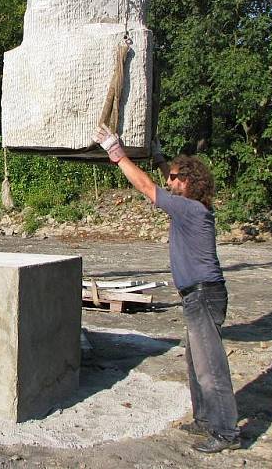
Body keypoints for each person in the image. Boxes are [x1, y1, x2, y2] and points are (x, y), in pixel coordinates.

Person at [93, 126, 241, 453]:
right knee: (195, 361)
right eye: (169, 176)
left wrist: (116, 154)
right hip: (198, 295)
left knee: (210, 366)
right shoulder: (191, 204)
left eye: (174, 178)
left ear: (188, 183)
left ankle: (226, 433)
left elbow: (147, 186)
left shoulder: (189, 209)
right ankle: (204, 419)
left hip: (203, 296)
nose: (169, 182)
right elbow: (162, 179)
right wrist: (160, 157)